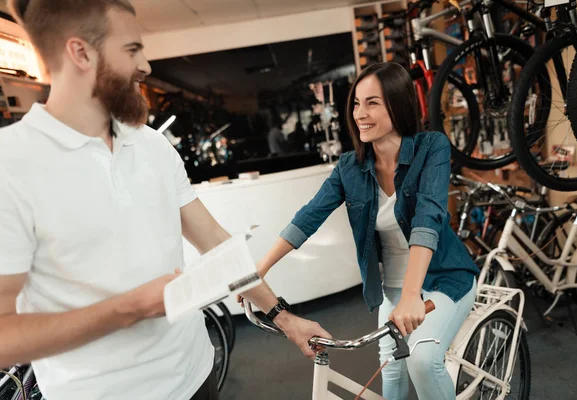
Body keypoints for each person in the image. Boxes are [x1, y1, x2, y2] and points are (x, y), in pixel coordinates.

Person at [0, 1, 329, 400]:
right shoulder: (12, 164)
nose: (147, 66)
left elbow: (216, 242)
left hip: (195, 373)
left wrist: (284, 319)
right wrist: (130, 308)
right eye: (132, 49)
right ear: (81, 52)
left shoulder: (151, 144)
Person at [244, 62, 480, 400]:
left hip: (444, 278)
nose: (360, 113)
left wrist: (413, 294)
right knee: (391, 367)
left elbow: (428, 218)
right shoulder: (349, 167)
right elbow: (309, 217)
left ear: (397, 105)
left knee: (424, 362)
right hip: (394, 290)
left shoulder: (432, 148)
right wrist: (259, 269)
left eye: (372, 103)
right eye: (356, 103)